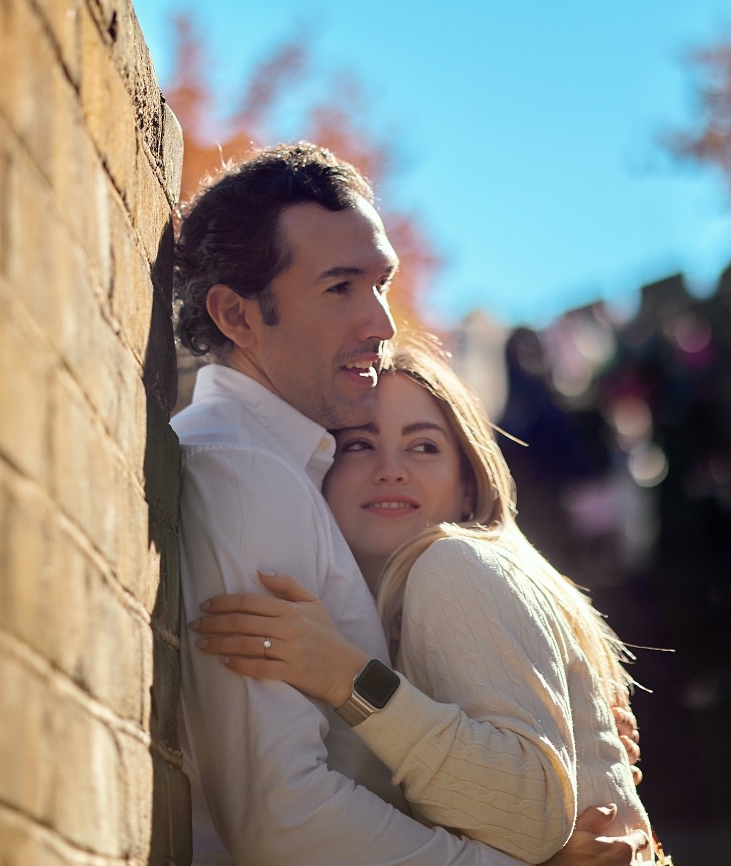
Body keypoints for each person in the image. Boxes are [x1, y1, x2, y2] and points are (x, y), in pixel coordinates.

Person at [171, 141, 647, 866]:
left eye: (381, 285)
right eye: (339, 288)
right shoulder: (247, 476)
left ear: (468, 479)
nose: (383, 325)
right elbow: (283, 818)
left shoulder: (317, 484)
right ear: (237, 316)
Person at [189, 341, 665, 863]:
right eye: (358, 446)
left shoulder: (451, 565)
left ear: (468, 487)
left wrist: (347, 676)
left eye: (423, 447)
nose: (391, 469)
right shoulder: (400, 605)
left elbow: (532, 815)